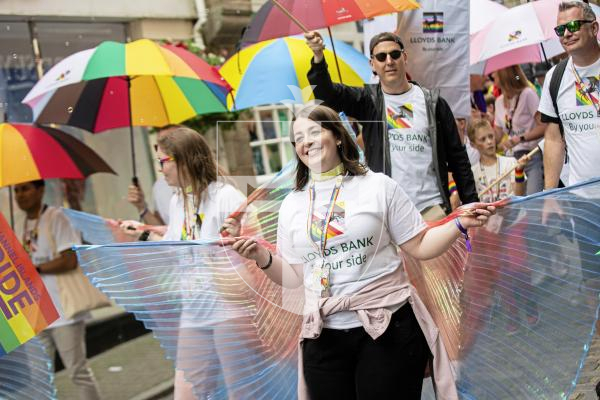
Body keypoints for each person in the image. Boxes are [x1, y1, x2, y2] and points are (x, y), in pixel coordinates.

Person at [225, 105, 495, 399]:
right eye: (298, 138)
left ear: (338, 137)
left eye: (314, 132)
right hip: (323, 337)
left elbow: (420, 244)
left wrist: (459, 223)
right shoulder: (292, 204)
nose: (306, 142)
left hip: (388, 330)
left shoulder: (379, 187)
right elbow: (293, 278)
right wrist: (261, 258)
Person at [125, 126, 262, 399]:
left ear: (183, 159)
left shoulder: (226, 197)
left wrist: (237, 239)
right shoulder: (179, 201)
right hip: (194, 311)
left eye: (163, 162)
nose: (161, 169)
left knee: (242, 393)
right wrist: (142, 232)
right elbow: (177, 250)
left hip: (229, 310)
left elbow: (256, 248)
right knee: (186, 394)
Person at [305, 31, 478, 221]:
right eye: (381, 57)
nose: (389, 61)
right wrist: (319, 58)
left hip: (432, 209)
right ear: (373, 64)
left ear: (404, 57)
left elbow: (458, 159)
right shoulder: (367, 101)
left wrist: (472, 205)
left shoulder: (433, 103)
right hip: (388, 212)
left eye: (394, 54)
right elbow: (325, 94)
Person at [538, 0, 600, 332]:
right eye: (561, 29)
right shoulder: (556, 77)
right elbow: (553, 138)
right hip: (585, 202)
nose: (566, 34)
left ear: (594, 27)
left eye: (573, 26)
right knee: (593, 284)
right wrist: (550, 195)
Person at [14, 180, 102, 400]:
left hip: (64, 312)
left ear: (41, 189)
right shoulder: (21, 225)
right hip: (36, 312)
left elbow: (69, 260)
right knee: (39, 376)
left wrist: (35, 268)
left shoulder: (56, 218)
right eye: (16, 190)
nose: (20, 195)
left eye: (25, 188)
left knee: (77, 372)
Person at [467, 119, 539, 334]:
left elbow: (519, 194)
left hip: (514, 222)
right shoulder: (473, 173)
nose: (489, 142)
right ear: (473, 144)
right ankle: (512, 314)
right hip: (490, 230)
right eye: (483, 139)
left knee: (518, 266)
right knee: (500, 273)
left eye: (491, 136)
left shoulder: (508, 163)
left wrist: (519, 172)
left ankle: (530, 305)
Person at [493, 65, 547, 195]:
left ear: (504, 75)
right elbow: (497, 136)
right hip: (510, 161)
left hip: (530, 156)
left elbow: (544, 127)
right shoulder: (498, 102)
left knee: (533, 203)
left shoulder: (528, 94)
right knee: (517, 207)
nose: (493, 76)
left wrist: (520, 138)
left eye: (495, 73)